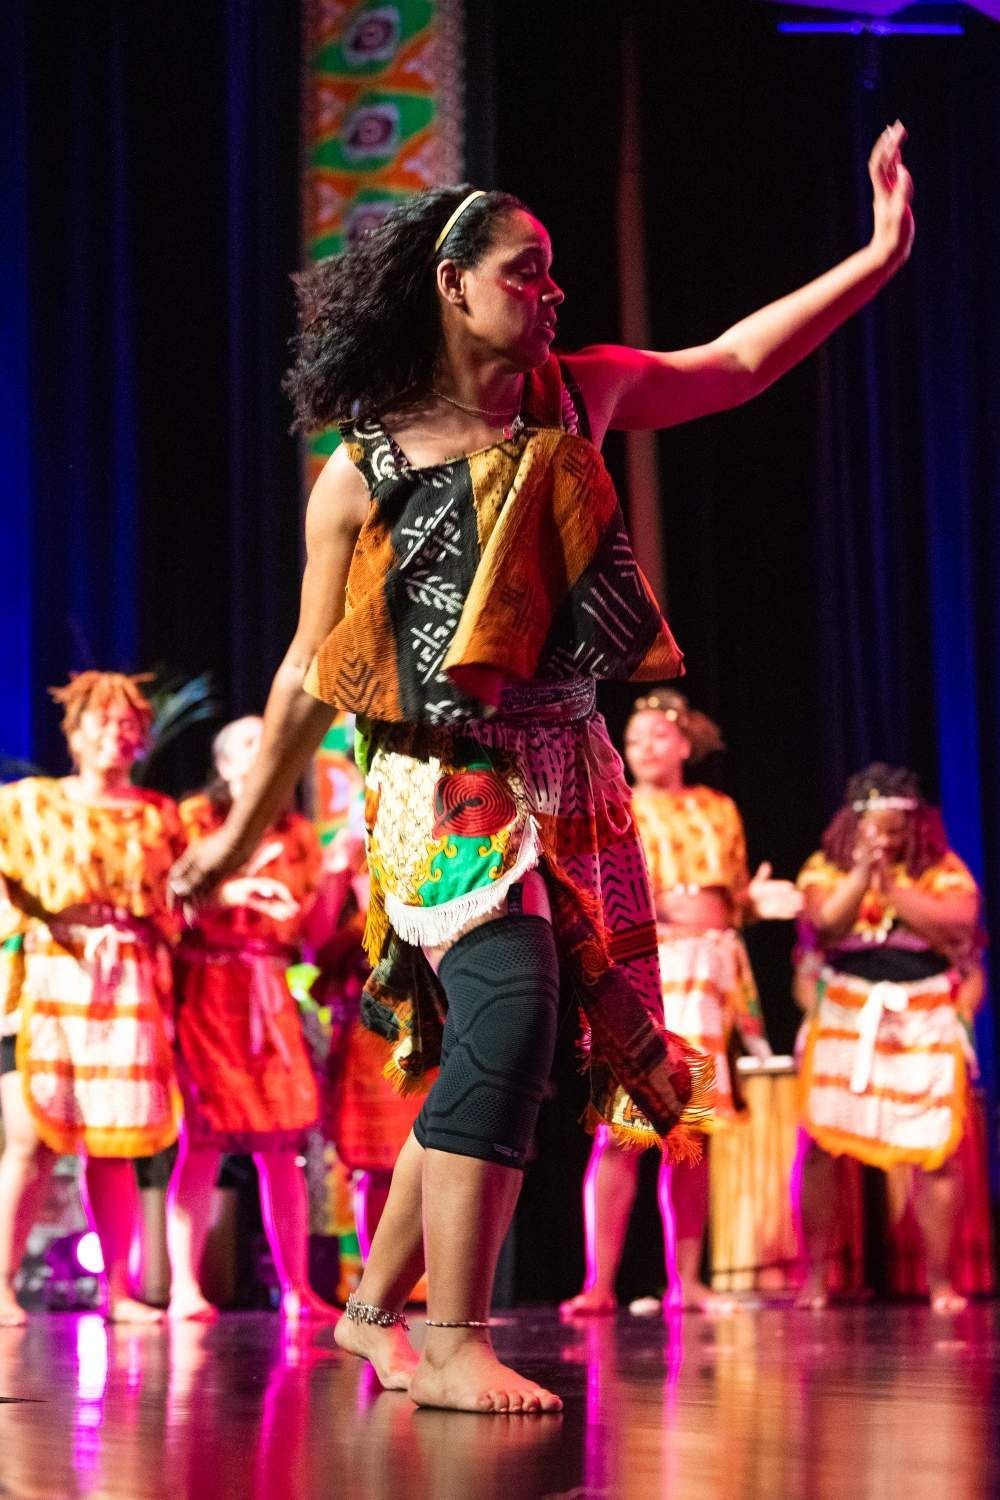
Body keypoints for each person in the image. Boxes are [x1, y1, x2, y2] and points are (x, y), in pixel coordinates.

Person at [168, 123, 915, 1412]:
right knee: (509, 1011)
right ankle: (452, 1332)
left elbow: (734, 363)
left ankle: (366, 1315)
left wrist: (878, 252)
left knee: (502, 1042)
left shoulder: (582, 390)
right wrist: (234, 843)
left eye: (555, 272)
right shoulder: (365, 470)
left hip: (568, 767)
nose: (550, 291)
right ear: (450, 285)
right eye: (527, 270)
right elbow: (305, 670)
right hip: (438, 771)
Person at [561, 692, 800, 1317]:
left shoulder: (719, 808)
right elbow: (596, 887)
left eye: (658, 736)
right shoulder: (619, 809)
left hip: (712, 969)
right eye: (634, 737)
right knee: (625, 1126)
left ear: (685, 745)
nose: (644, 747)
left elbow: (734, 890)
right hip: (651, 967)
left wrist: (756, 901)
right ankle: (599, 1283)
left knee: (697, 1127)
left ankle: (685, 1281)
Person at [0, 672, 183, 1324]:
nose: (118, 734)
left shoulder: (159, 814)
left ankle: (121, 1291)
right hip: (47, 979)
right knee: (31, 1139)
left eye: (130, 725)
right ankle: (1, 1283)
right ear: (74, 732)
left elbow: (179, 901)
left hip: (126, 983)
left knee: (116, 1143)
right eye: (104, 722)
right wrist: (49, 920)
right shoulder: (27, 804)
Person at [166, 716, 338, 1321]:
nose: (265, 749)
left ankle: (297, 1288)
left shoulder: (298, 834)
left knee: (282, 1139)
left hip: (269, 985)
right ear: (224, 764)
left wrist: (339, 878)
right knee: (205, 1136)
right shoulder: (195, 820)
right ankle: (185, 1286)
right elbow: (171, 901)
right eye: (248, 742)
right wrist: (233, 893)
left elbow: (313, 936)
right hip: (208, 983)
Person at [795, 764, 981, 1313]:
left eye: (894, 829)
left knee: (935, 1148)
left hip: (923, 1009)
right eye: (873, 827)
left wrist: (891, 887)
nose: (885, 838)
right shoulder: (825, 867)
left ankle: (941, 1280)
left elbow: (959, 925)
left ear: (913, 827)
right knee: (823, 1142)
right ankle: (816, 1277)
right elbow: (822, 925)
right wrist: (860, 876)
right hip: (848, 1006)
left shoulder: (940, 870)